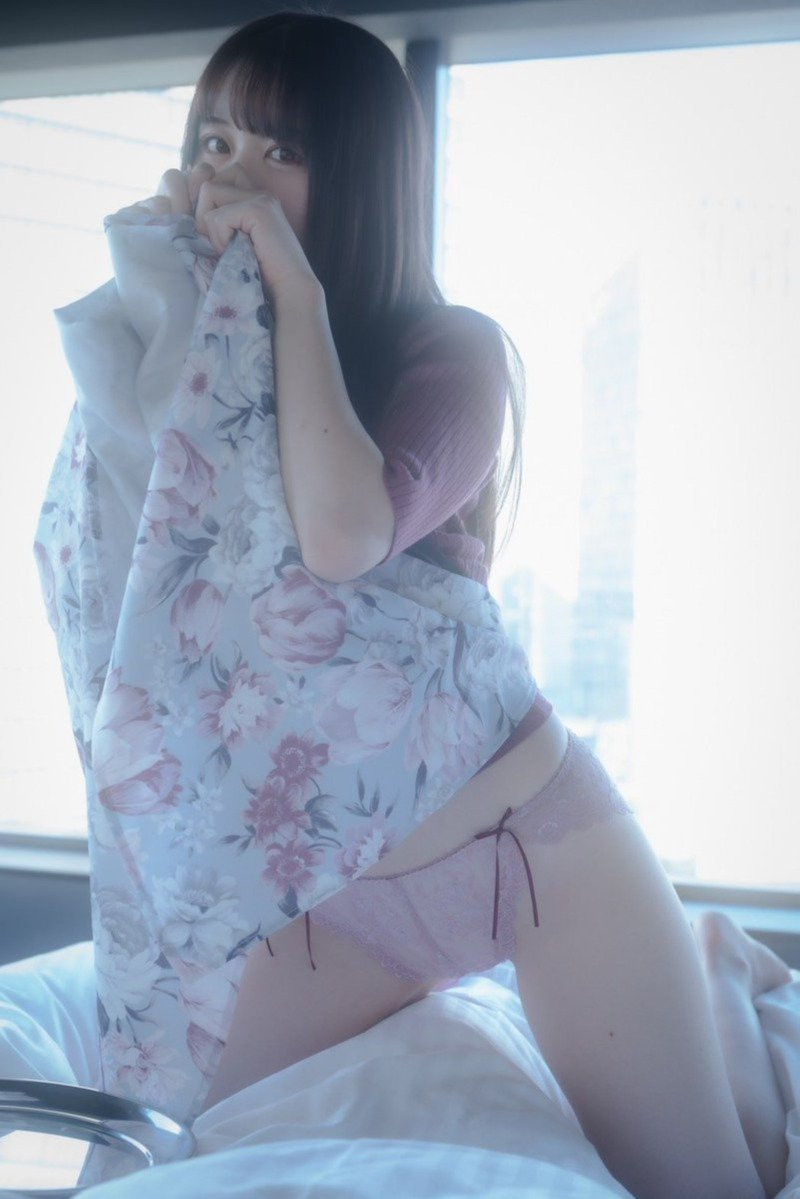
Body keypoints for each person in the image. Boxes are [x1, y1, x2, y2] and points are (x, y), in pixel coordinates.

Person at [60, 8, 788, 1197]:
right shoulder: (209, 356)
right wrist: (171, 294)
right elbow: (138, 588)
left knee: (721, 1178)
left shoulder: (450, 353)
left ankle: (713, 966)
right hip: (335, 893)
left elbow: (343, 536)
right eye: (214, 142)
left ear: (360, 178)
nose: (234, 176)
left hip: (526, 848)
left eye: (280, 151)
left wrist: (292, 292)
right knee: (146, 1134)